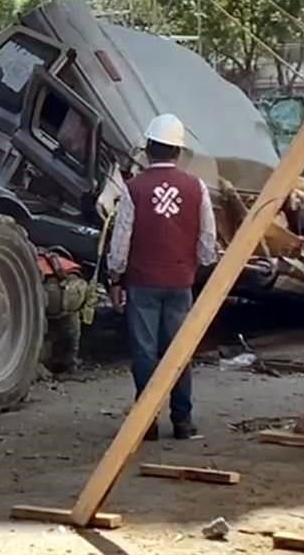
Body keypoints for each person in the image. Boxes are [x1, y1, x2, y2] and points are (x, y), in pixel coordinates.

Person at [106, 113, 217, 441]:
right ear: (178, 152)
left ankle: (147, 421)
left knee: (144, 351)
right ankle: (182, 420)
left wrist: (115, 278)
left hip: (143, 282)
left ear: (148, 149)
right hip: (180, 281)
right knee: (178, 350)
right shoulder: (196, 187)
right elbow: (207, 239)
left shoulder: (133, 189)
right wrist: (198, 265)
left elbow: (121, 241)